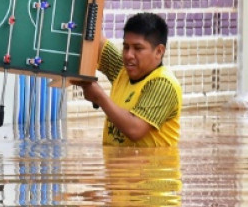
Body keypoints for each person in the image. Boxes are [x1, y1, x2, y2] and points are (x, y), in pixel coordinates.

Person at [77, 12, 182, 147]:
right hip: (118, 167)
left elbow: (135, 130)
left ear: (159, 51)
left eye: (138, 48)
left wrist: (99, 98)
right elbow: (95, 42)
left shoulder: (164, 84)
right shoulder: (122, 70)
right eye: (126, 47)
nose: (128, 55)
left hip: (152, 168)